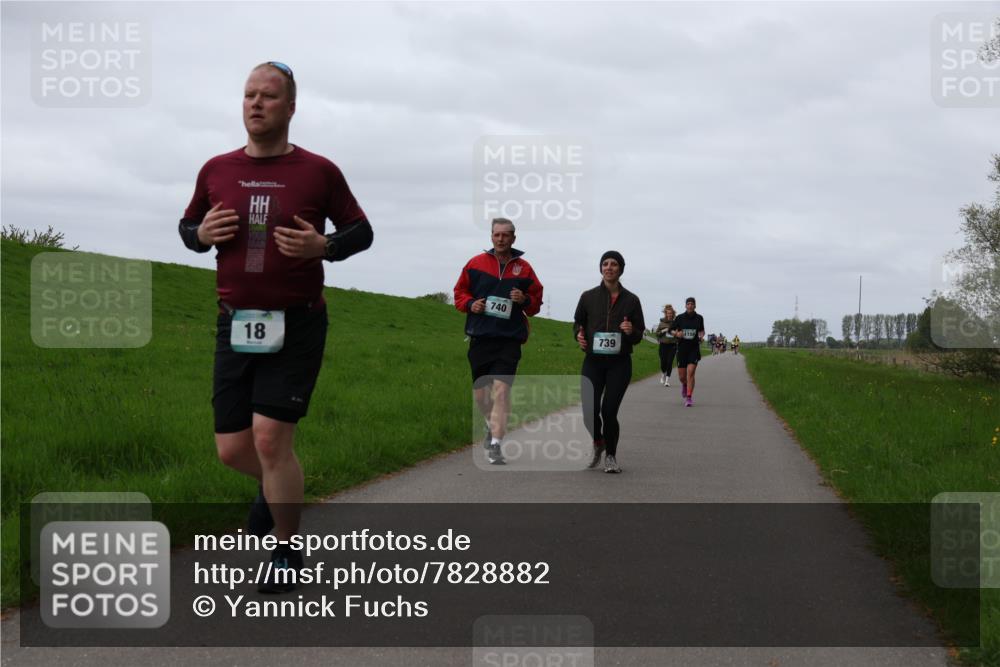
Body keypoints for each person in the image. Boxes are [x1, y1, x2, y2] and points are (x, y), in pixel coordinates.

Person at [178, 62, 373, 593]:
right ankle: (274, 488)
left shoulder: (318, 171)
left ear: (290, 107)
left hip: (298, 323)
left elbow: (362, 230)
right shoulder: (216, 169)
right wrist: (199, 235)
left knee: (269, 440)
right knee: (231, 449)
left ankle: (286, 549)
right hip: (233, 324)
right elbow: (187, 225)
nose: (255, 103)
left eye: (268, 96)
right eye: (248, 95)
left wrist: (325, 246)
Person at [453, 218, 543, 465]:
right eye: (497, 235)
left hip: (509, 340)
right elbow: (459, 294)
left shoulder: (524, 269)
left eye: (506, 235)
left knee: (502, 392)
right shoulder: (475, 264)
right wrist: (473, 304)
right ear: (491, 237)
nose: (501, 239)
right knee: (482, 396)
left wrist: (524, 299)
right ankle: (488, 423)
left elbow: (536, 303)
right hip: (481, 337)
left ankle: (496, 445)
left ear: (514, 238)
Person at [573, 251, 645, 473]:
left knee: (608, 411)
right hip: (593, 361)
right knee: (589, 411)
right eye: (605, 264)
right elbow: (578, 323)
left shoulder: (632, 300)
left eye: (614, 264)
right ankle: (598, 442)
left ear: (621, 269)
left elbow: (639, 333)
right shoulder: (588, 297)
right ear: (600, 268)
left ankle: (611, 456)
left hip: (619, 364)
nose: (609, 267)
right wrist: (579, 335)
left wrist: (631, 331)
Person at [670, 297, 705, 407]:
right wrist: (676, 334)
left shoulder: (699, 318)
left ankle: (689, 397)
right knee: (682, 377)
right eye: (688, 304)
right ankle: (684, 385)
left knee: (691, 373)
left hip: (694, 349)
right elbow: (671, 330)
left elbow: (702, 331)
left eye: (692, 304)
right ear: (685, 306)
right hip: (682, 349)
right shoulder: (680, 318)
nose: (690, 306)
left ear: (695, 306)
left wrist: (701, 336)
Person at [654, 304, 678, 386]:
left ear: (673, 314)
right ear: (666, 313)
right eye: (668, 313)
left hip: (672, 345)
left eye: (671, 313)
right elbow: (657, 334)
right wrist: (664, 330)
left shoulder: (676, 323)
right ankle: (663, 373)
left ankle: (667, 380)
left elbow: (679, 334)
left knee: (669, 362)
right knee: (663, 363)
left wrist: (676, 334)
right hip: (663, 345)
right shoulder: (662, 323)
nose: (669, 315)